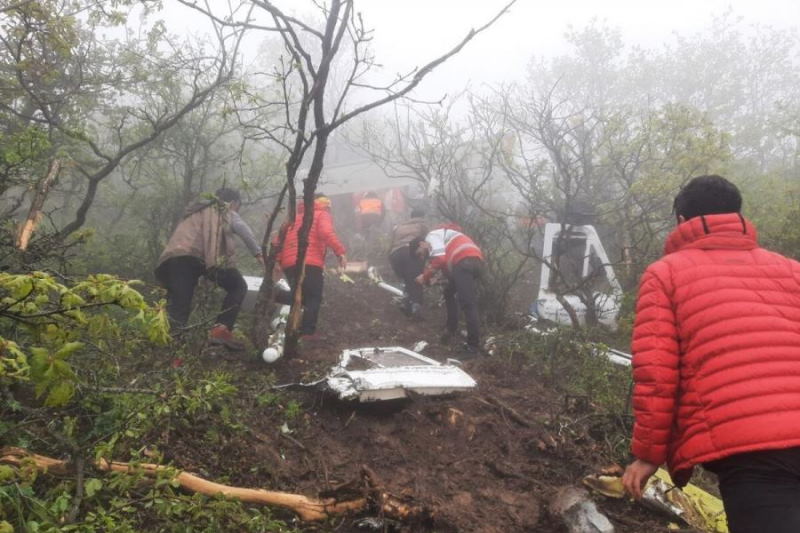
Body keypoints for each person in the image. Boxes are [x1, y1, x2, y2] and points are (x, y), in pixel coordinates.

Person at [622, 175, 800, 533]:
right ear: (736, 214)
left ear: (681, 221)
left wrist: (647, 455)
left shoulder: (666, 274)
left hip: (752, 450)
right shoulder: (792, 271)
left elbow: (657, 372)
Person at [155, 188, 263, 350]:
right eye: (237, 207)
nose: (235, 211)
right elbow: (243, 230)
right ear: (233, 203)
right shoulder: (223, 209)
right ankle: (221, 330)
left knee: (179, 304)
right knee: (238, 286)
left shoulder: (196, 210)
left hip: (172, 259)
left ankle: (169, 348)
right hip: (196, 257)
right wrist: (260, 255)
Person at [275, 194, 346, 340]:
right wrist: (340, 252)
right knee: (313, 297)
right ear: (325, 204)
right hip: (310, 262)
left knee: (300, 296)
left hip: (289, 264)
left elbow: (278, 241)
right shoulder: (321, 214)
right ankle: (307, 332)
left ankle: (274, 295)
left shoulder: (292, 219)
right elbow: (326, 232)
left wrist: (277, 261)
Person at [414, 224, 484, 356]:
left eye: (421, 254)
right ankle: (450, 329)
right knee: (449, 292)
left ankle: (473, 348)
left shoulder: (432, 236)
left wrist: (425, 276)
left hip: (464, 260)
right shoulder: (444, 238)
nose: (424, 257)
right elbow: (448, 268)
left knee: (468, 304)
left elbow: (440, 259)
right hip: (474, 261)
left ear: (422, 244)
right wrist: (435, 279)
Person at [388, 208, 428, 316]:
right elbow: (428, 242)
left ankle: (406, 302)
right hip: (410, 253)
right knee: (416, 280)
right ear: (422, 217)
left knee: (406, 279)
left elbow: (391, 243)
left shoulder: (399, 227)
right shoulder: (423, 226)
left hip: (395, 254)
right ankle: (416, 308)